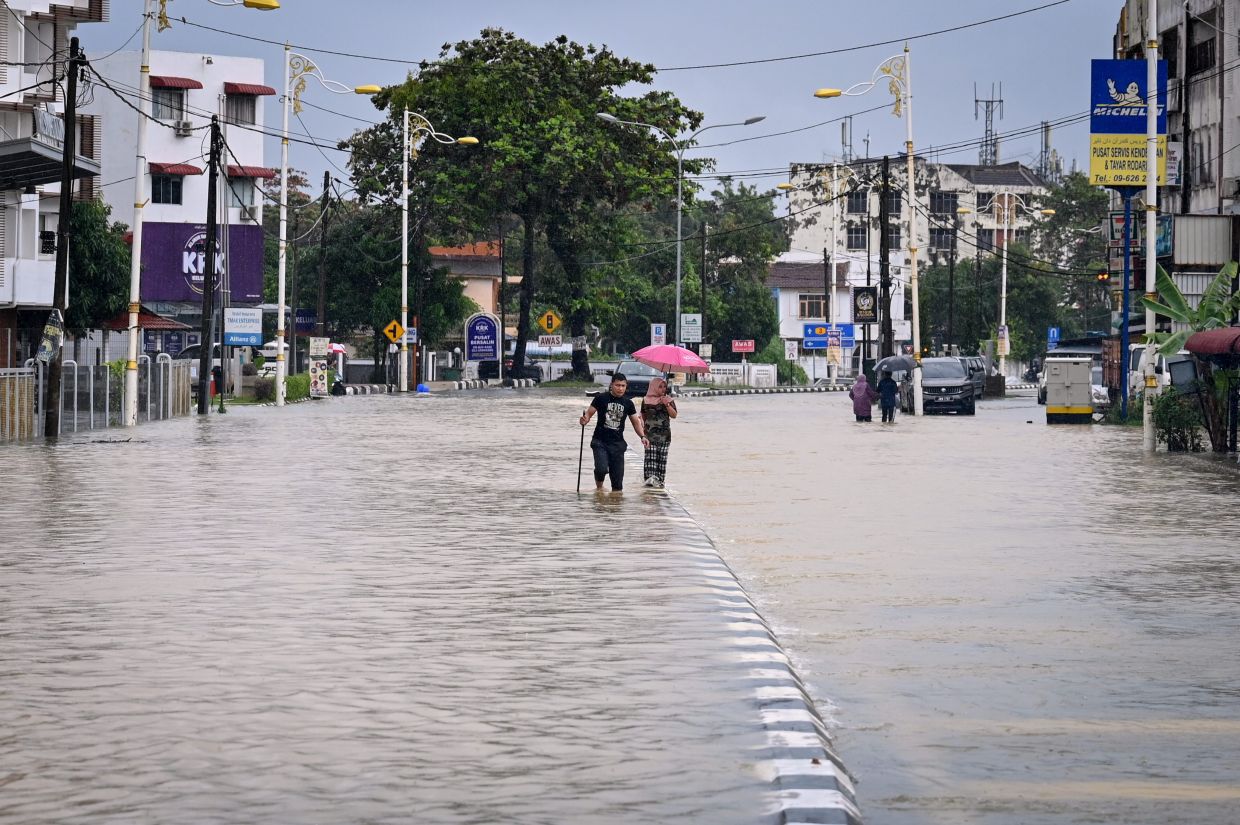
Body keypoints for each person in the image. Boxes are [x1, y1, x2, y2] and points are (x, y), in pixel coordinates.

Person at [579, 374, 649, 492]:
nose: (620, 388)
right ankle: (599, 489)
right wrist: (584, 420)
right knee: (601, 469)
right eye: (617, 385)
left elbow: (635, 423)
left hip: (617, 444)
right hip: (600, 441)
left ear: (626, 386)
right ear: (611, 385)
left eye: (623, 386)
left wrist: (642, 436)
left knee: (617, 486)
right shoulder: (601, 398)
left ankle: (615, 506)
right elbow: (588, 414)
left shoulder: (628, 403)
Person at [640, 376, 678, 488]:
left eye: (664, 386)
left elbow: (674, 415)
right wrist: (643, 428)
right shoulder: (646, 400)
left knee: (662, 461)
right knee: (651, 460)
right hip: (650, 436)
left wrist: (666, 404)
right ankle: (649, 482)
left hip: (665, 436)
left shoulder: (669, 400)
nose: (663, 389)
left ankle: (660, 483)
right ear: (653, 387)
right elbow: (643, 414)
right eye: (660, 387)